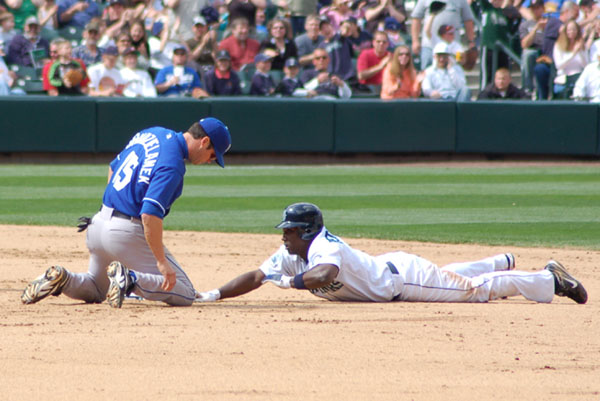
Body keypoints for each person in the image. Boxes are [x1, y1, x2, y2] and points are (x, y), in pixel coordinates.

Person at [21, 118, 232, 309]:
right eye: (213, 155)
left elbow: (113, 168)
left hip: (98, 224)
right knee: (185, 292)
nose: (210, 160)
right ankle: (131, 279)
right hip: (125, 232)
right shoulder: (173, 165)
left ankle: (64, 280)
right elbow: (150, 215)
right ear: (204, 141)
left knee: (96, 288)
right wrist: (161, 262)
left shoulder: (152, 132)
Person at [195, 202, 587, 305]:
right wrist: (213, 294)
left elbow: (324, 275)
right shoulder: (292, 252)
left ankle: (547, 278)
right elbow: (255, 276)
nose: (284, 237)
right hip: (395, 268)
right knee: (449, 276)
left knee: (473, 291)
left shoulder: (324, 247)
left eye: (290, 231)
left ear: (307, 231)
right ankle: (501, 261)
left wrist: (291, 283)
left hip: (401, 281)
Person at [533, 1, 579, 100]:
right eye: (575, 13)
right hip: (551, 63)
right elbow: (566, 30)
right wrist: (591, 19)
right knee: (540, 69)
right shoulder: (554, 22)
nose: (577, 16)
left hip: (568, 66)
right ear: (567, 11)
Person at [410, 0, 476, 69]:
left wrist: (471, 41)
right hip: (429, 45)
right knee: (427, 72)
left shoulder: (461, 1)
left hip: (452, 48)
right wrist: (415, 40)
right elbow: (416, 18)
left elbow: (468, 20)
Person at [478, 0, 521, 88]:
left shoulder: (506, 13)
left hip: (504, 49)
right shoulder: (487, 9)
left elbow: (511, 31)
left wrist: (517, 19)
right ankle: (484, 96)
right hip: (488, 46)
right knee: (487, 74)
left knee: (503, 73)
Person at [552, 18, 587, 98]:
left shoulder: (581, 45)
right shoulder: (558, 46)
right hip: (564, 78)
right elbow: (559, 65)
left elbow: (586, 65)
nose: (572, 32)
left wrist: (580, 52)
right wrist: (573, 53)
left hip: (579, 77)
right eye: (569, 30)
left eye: (574, 30)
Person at [519, 0, 546, 95]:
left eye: (538, 8)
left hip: (546, 50)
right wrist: (536, 28)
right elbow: (524, 44)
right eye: (533, 8)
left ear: (543, 9)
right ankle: (528, 90)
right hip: (532, 49)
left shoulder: (550, 22)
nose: (535, 11)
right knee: (527, 54)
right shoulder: (525, 25)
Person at [319, 16, 355, 82]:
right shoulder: (321, 46)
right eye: (323, 28)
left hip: (347, 77)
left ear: (331, 26)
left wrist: (345, 26)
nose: (326, 29)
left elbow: (346, 31)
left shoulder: (340, 37)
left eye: (327, 26)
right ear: (320, 32)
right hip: (332, 79)